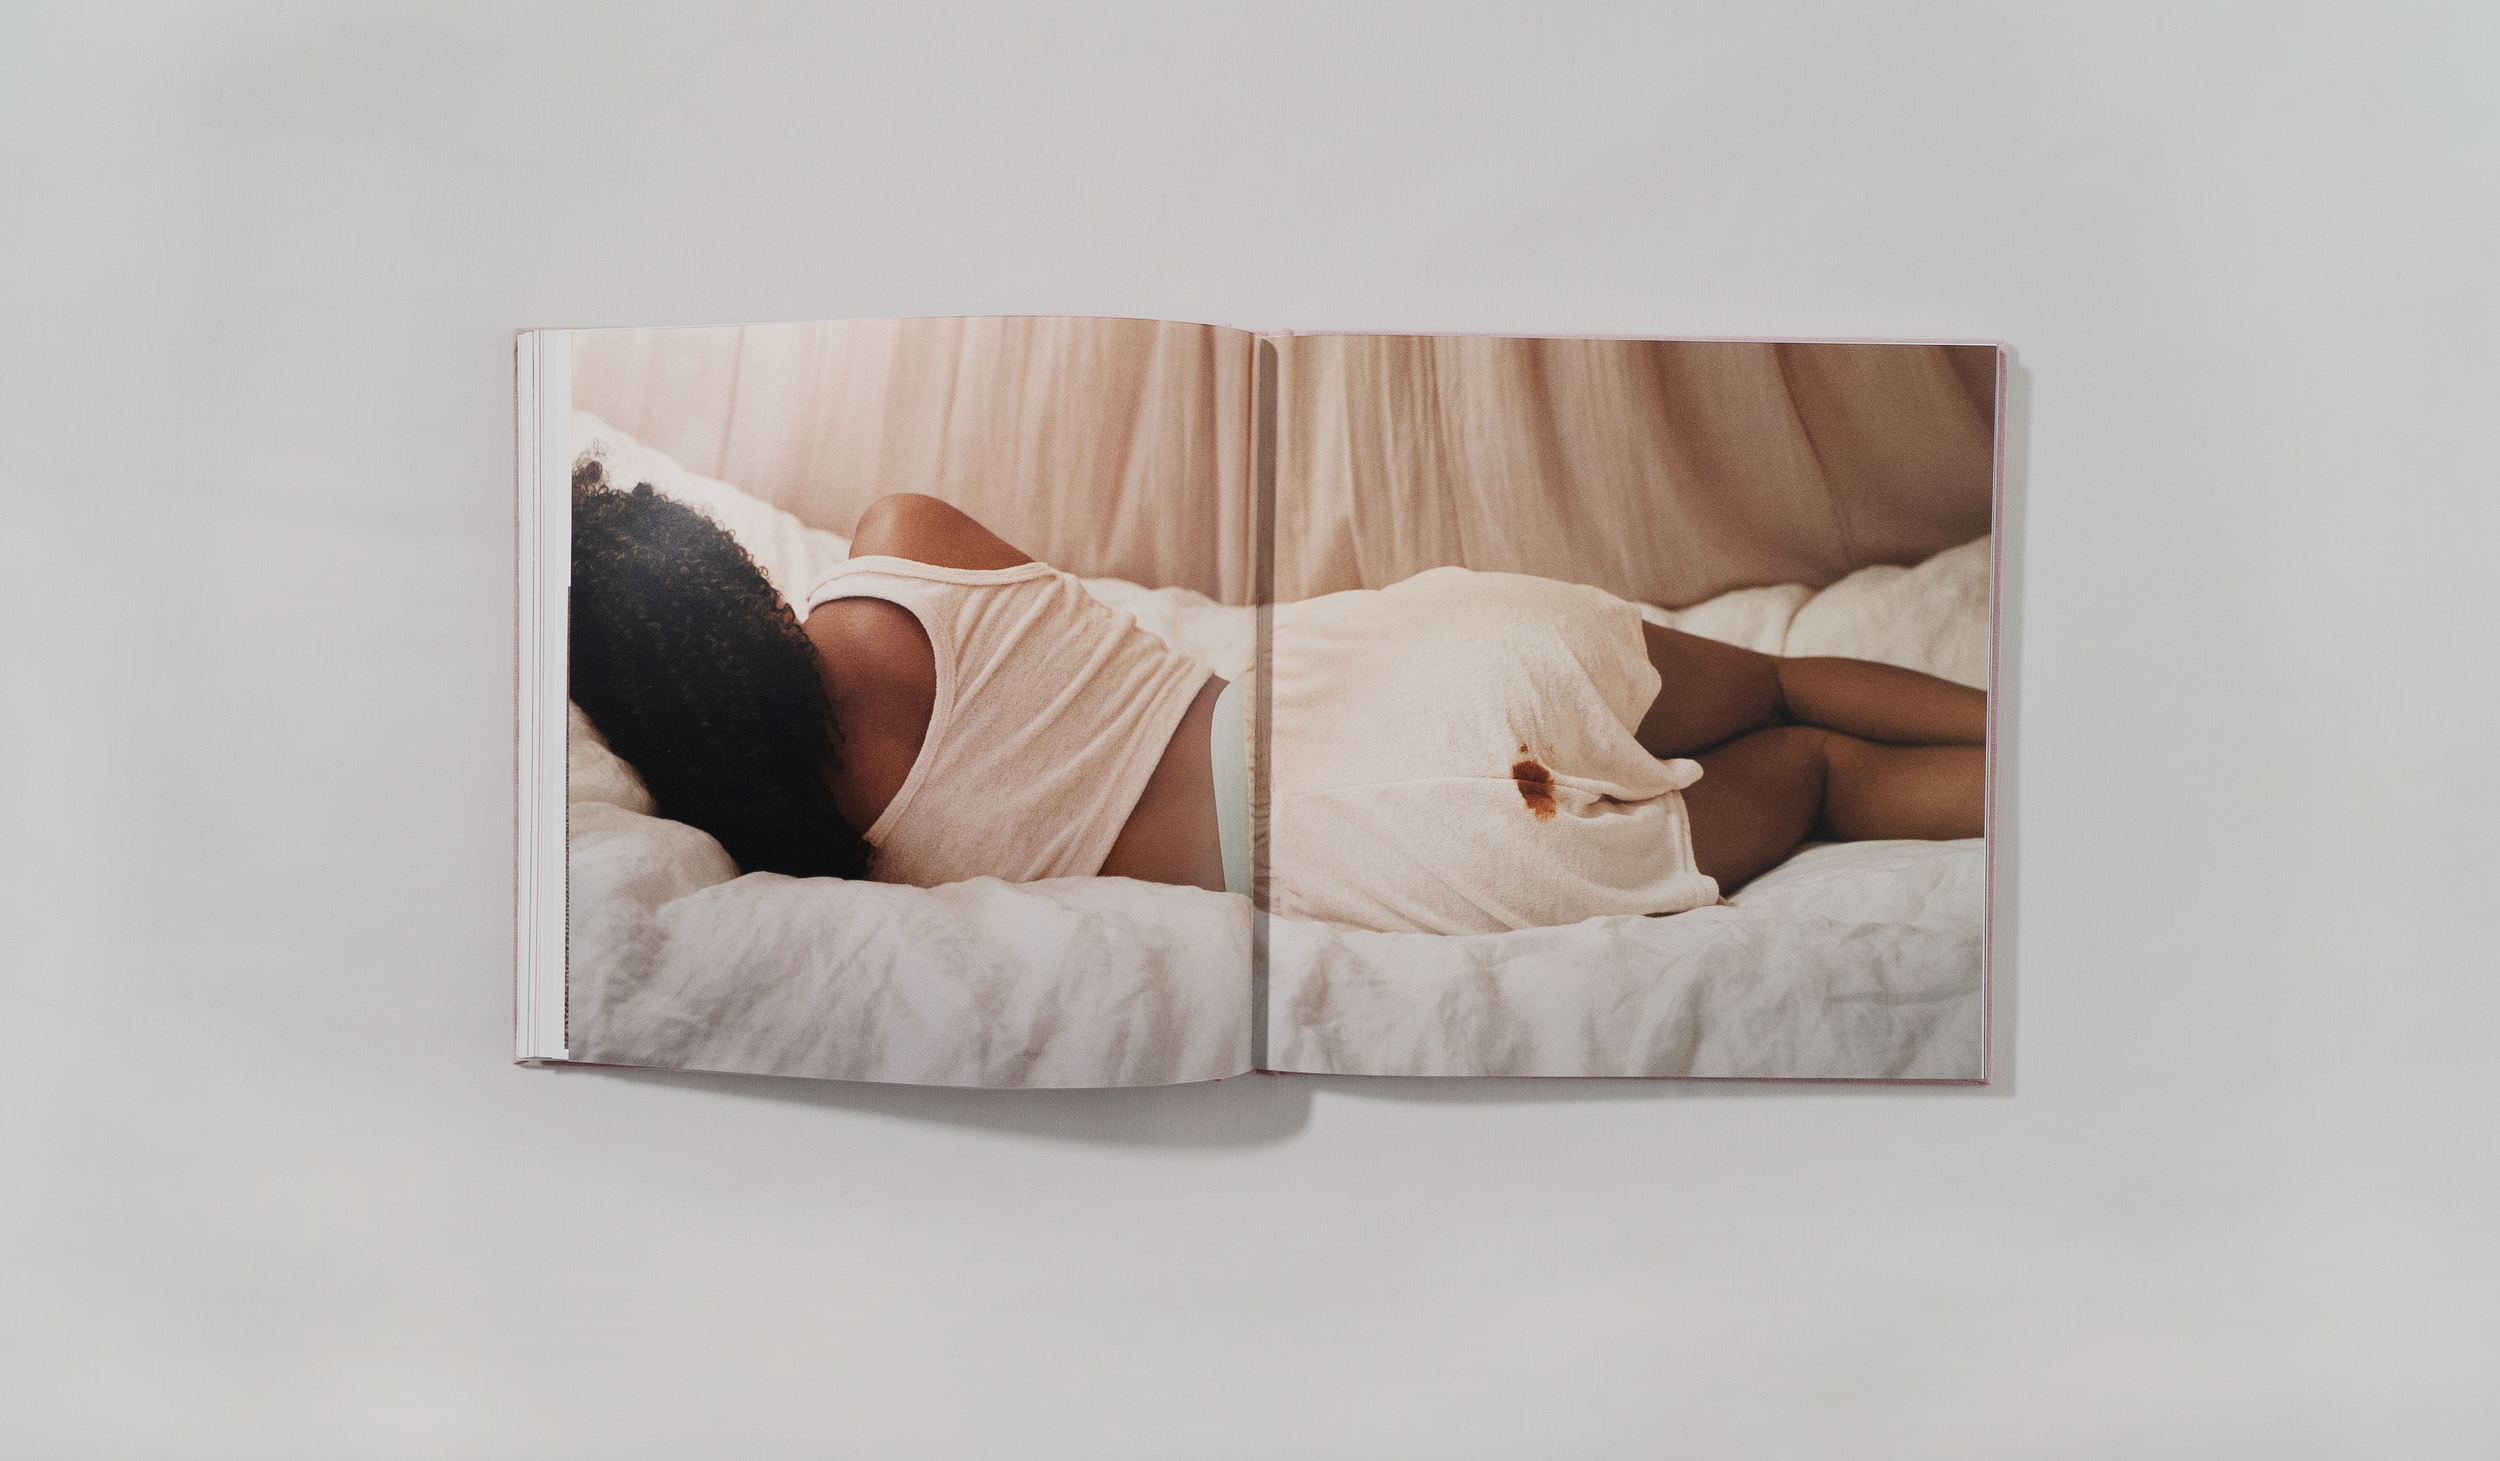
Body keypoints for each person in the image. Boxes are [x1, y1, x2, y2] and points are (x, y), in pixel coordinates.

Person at [567, 469, 1984, 935]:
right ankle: (2063, 731)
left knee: (1815, 771)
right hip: (1399, 670)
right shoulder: (907, 534)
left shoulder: (792, 840)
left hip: (1387, 842)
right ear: (728, 575)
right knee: (1785, 676)